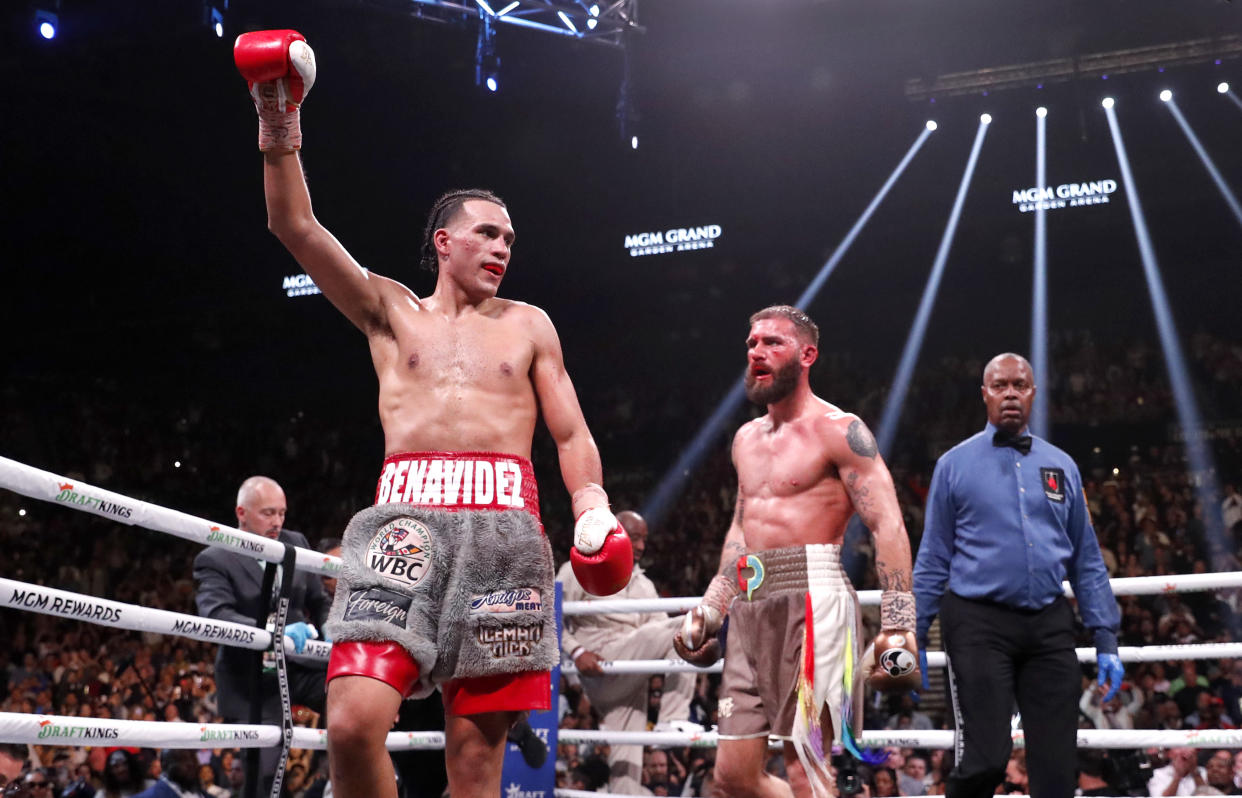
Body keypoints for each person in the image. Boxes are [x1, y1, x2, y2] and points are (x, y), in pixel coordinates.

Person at [232, 29, 632, 798]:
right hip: (403, 525)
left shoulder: (530, 324)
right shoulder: (390, 311)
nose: (502, 247)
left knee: (477, 766)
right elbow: (296, 228)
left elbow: (571, 431)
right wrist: (278, 123)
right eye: (488, 232)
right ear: (444, 242)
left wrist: (591, 504)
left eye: (510, 238)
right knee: (350, 724)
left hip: (505, 532)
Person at [672, 306, 920, 797]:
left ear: (807, 355)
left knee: (806, 767)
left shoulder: (840, 429)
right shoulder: (745, 439)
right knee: (732, 777)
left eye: (772, 343)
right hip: (749, 602)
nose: (756, 352)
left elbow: (886, 521)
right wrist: (712, 605)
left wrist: (898, 622)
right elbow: (741, 530)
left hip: (815, 601)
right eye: (751, 344)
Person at [912, 352, 1124, 798]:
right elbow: (933, 557)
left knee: (1056, 766)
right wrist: (913, 634)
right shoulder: (953, 465)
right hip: (977, 622)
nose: (1010, 393)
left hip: (1048, 622)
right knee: (985, 758)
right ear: (985, 394)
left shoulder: (1062, 465)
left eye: (1020, 385)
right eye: (1001, 384)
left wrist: (1105, 636)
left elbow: (1086, 557)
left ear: (1033, 393)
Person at [192, 476, 329, 789]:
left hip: (302, 664)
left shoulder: (296, 542)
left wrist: (330, 627)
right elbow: (216, 615)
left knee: (353, 708)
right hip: (253, 676)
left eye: (282, 513)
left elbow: (319, 600)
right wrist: (272, 631)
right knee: (263, 776)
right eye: (268, 513)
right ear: (241, 513)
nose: (277, 521)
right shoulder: (216, 556)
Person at [558, 510, 695, 793]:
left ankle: (668, 727)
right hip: (598, 664)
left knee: (628, 771)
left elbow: (664, 635)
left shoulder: (644, 585)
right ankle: (672, 720)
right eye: (635, 538)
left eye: (644, 539)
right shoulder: (578, 568)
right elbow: (550, 613)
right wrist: (576, 650)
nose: (642, 547)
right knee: (685, 623)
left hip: (631, 676)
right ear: (614, 534)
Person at [133, 751, 205, 798]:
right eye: (182, 759)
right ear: (165, 765)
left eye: (193, 758)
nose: (191, 764)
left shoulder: (203, 794)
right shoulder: (151, 795)